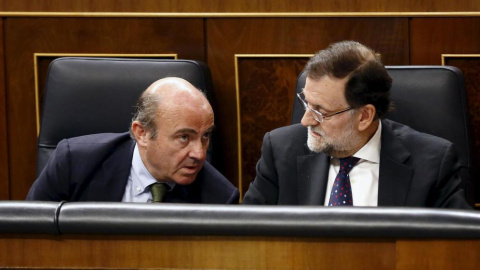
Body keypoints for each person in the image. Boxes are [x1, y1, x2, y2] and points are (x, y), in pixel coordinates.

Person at [242, 41, 471, 209]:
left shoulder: (432, 164)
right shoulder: (280, 151)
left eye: (320, 112)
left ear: (364, 116)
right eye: (306, 104)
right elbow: (245, 234)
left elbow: (459, 247)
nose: (305, 121)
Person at [27, 77, 239, 204]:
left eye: (205, 136)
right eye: (184, 137)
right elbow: (28, 235)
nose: (199, 153)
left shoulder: (219, 198)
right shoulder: (74, 163)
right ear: (142, 133)